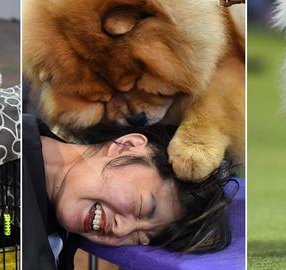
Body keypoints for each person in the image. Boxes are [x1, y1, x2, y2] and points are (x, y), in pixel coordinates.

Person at [23, 113, 235, 270]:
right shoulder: (1, 142)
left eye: (139, 237)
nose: (122, 230)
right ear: (127, 145)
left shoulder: (55, 235)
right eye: (140, 207)